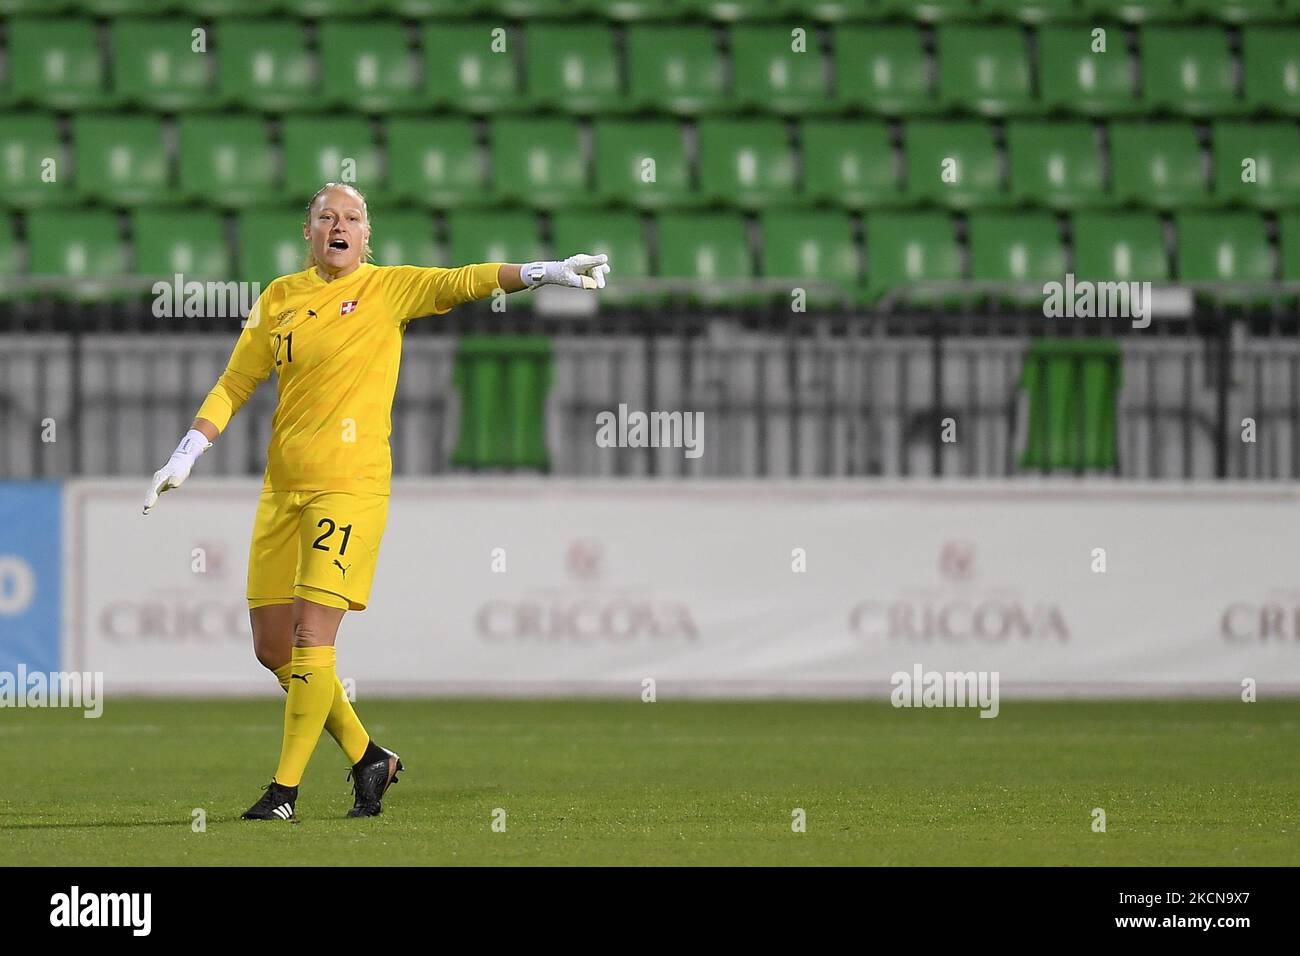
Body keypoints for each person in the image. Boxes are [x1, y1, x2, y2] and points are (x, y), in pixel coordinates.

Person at [142, 182, 610, 820]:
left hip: (352, 485)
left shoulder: (388, 289)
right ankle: (369, 758)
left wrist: (543, 271)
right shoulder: (279, 297)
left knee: (312, 632)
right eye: (326, 216)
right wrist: (187, 452)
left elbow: (463, 279)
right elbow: (236, 380)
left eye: (352, 217)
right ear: (307, 232)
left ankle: (283, 793)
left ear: (367, 236)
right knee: (273, 646)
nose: (339, 225)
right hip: (283, 488)